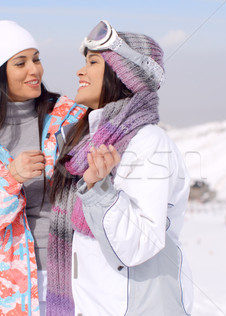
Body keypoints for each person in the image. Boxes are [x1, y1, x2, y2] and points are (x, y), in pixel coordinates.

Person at [49, 20, 193, 315]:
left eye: (92, 63)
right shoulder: (87, 141)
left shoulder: (149, 143)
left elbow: (138, 244)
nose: (80, 71)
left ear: (123, 75)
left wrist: (97, 190)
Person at [0, 20, 86, 315]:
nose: (34, 70)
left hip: (80, 282)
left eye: (36, 59)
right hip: (13, 295)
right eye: (20, 63)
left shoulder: (72, 119)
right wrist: (8, 180)